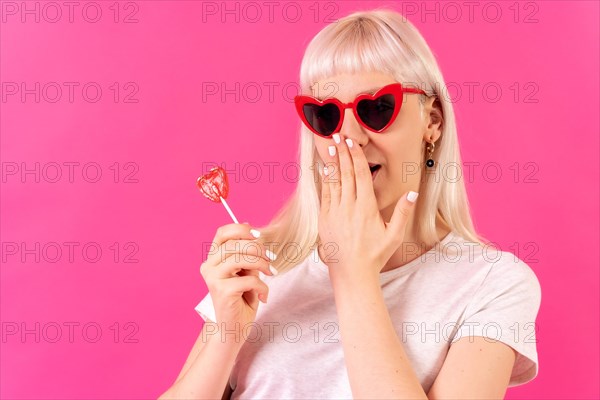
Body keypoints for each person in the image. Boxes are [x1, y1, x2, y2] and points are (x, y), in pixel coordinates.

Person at [160, 8, 542, 400]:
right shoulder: (262, 263)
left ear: (433, 122)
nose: (349, 137)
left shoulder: (492, 284)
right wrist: (227, 333)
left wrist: (355, 275)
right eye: (325, 115)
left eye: (376, 109)